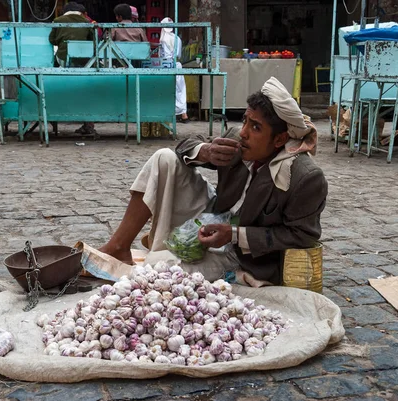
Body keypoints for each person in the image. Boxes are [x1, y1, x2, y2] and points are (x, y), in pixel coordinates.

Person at [99, 76, 327, 286]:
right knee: (164, 158)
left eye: (255, 127)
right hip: (214, 214)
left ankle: (172, 253)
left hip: (237, 252)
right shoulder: (239, 139)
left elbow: (302, 236)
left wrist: (235, 234)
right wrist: (205, 151)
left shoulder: (304, 176)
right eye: (245, 120)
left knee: (155, 268)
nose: (244, 132)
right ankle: (119, 246)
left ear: (280, 139)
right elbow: (186, 145)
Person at [48, 2, 97, 136]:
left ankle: (54, 118)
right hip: (84, 63)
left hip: (63, 60)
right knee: (86, 93)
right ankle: (89, 124)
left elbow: (52, 40)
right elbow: (94, 41)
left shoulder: (58, 21)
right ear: (82, 12)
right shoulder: (88, 22)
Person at [159, 17, 188, 123]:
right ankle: (184, 114)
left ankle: (171, 112)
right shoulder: (177, 38)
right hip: (177, 64)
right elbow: (179, 54)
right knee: (180, 89)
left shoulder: (163, 39)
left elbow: (164, 55)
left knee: (169, 89)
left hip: (167, 65)